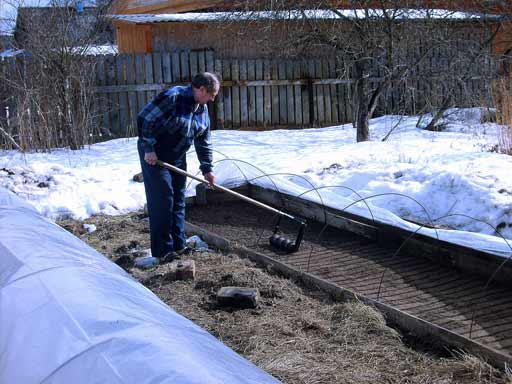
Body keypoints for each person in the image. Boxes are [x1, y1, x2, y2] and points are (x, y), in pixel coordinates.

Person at [137, 72, 220, 262]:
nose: (213, 99)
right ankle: (163, 251)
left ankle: (179, 245)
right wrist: (149, 148)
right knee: (163, 199)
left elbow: (203, 140)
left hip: (177, 155)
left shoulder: (202, 109)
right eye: (212, 94)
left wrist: (207, 168)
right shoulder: (172, 98)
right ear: (201, 89)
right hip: (155, 155)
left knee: (178, 200)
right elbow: (144, 119)